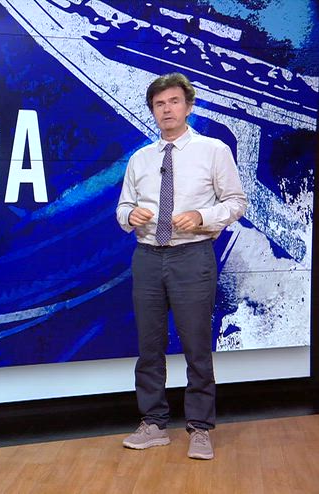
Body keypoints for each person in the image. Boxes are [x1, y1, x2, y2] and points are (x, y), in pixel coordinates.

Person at [115, 72, 246, 460]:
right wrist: (130, 216)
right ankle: (153, 423)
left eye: (174, 101)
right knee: (149, 347)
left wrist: (202, 216)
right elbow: (122, 208)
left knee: (196, 346)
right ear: (153, 111)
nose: (167, 109)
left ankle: (200, 428)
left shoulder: (213, 151)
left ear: (188, 106)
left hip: (192, 256)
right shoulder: (140, 159)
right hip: (147, 257)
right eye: (159, 104)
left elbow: (236, 202)